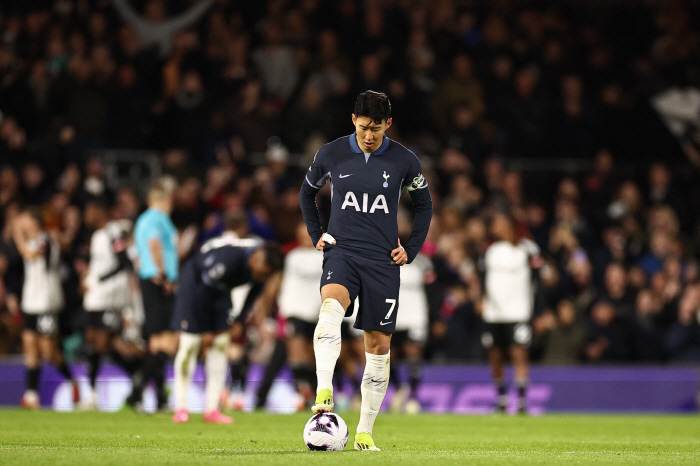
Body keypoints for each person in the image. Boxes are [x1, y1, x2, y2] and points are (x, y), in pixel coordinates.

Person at [299, 90, 432, 451]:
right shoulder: (331, 153)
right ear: (352, 121)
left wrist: (412, 249)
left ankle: (364, 432)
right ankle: (323, 390)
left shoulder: (405, 160)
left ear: (388, 124)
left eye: (375, 128)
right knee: (329, 310)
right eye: (362, 128)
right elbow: (306, 194)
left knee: (378, 347)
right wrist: (317, 234)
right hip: (343, 252)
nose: (368, 135)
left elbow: (424, 205)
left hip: (382, 262)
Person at [170, 223, 284, 424]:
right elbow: (202, 290)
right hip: (193, 291)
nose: (261, 277)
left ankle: (212, 409)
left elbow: (253, 294)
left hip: (220, 295)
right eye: (261, 273)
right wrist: (205, 329)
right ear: (256, 257)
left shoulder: (261, 269)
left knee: (221, 346)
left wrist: (239, 320)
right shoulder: (230, 258)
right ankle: (180, 407)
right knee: (190, 345)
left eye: (266, 275)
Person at [12, 210, 79, 409]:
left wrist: (16, 232)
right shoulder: (39, 240)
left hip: (46, 303)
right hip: (30, 302)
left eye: (24, 219)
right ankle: (31, 395)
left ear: (34, 222)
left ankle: (72, 381)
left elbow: (29, 254)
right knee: (29, 344)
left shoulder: (46, 240)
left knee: (49, 352)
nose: (21, 223)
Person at [126, 178, 179, 411]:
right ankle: (136, 391)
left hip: (150, 280)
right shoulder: (157, 218)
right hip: (159, 281)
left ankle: (157, 397)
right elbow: (154, 244)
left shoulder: (143, 220)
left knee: (157, 342)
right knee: (167, 343)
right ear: (165, 200)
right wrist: (163, 274)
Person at [480, 212, 542, 414]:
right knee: (496, 355)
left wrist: (540, 309)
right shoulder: (491, 250)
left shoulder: (528, 249)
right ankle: (501, 398)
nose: (495, 226)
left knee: (519, 353)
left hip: (518, 312)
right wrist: (480, 299)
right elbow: (482, 278)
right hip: (494, 313)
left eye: (499, 222)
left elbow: (541, 278)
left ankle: (522, 400)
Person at [80, 201, 138, 409]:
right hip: (96, 298)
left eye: (89, 209)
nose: (86, 214)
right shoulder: (98, 235)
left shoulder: (114, 232)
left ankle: (138, 375)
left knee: (103, 343)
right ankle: (94, 394)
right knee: (95, 343)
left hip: (110, 297)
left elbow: (124, 263)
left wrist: (98, 280)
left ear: (99, 210)